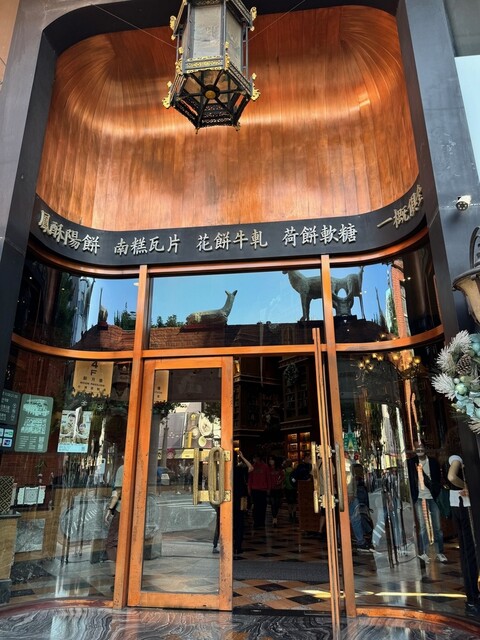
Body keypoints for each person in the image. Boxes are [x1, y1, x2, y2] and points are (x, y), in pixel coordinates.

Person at [448, 451, 480, 616]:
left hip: (460, 507)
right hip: (465, 507)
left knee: (468, 554)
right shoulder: (458, 456)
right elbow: (452, 476)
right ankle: (473, 599)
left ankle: (473, 598)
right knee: (470, 554)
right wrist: (467, 486)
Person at [407, 441, 447, 563]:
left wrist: (437, 490)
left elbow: (437, 479)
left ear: (425, 448)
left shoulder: (433, 462)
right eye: (417, 447)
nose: (419, 449)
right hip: (419, 497)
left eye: (421, 447)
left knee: (437, 526)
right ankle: (424, 552)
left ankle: (440, 552)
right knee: (423, 526)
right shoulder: (411, 463)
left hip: (432, 496)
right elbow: (409, 480)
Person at [104, 457, 124, 570]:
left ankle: (117, 569)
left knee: (110, 542)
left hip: (120, 509)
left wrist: (110, 509)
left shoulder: (122, 468)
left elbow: (117, 492)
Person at [233, 450, 253, 557]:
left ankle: (230, 545)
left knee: (231, 523)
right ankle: (238, 547)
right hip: (240, 498)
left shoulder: (226, 470)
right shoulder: (240, 469)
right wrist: (242, 457)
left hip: (229, 499)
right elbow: (251, 467)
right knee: (240, 523)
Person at [248, 453, 271, 528]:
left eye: (256, 457)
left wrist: (268, 488)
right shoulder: (252, 467)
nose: (255, 459)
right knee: (256, 507)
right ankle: (256, 522)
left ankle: (262, 522)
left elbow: (268, 478)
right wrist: (249, 488)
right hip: (254, 489)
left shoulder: (265, 467)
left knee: (262, 506)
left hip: (263, 489)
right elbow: (250, 479)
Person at [268, 456, 285, 526]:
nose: (270, 461)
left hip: (278, 488)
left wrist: (280, 481)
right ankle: (274, 518)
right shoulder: (268, 469)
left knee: (277, 503)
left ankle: (275, 515)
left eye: (272, 460)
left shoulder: (279, 469)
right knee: (273, 503)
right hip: (271, 488)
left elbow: (283, 476)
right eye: (270, 460)